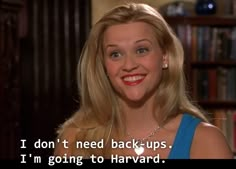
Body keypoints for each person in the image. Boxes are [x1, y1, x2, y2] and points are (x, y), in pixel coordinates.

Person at [54, 2, 233, 159]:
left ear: (165, 57)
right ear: (103, 66)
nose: (129, 65)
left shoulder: (206, 141)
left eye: (141, 50)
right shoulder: (74, 140)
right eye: (115, 54)